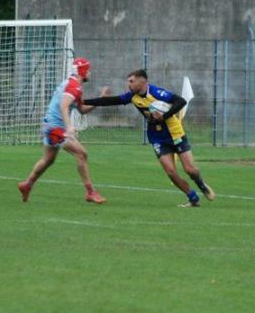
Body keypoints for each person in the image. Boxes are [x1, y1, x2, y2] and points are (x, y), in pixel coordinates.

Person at [83, 69, 215, 207]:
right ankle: (192, 198)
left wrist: (164, 116)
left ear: (142, 81)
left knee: (190, 170)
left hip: (175, 133)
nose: (129, 84)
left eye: (131, 81)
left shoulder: (157, 93)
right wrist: (84, 101)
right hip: (157, 137)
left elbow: (180, 101)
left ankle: (201, 184)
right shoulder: (132, 96)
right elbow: (112, 101)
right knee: (171, 172)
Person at [18, 57, 107, 204]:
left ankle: (27, 184)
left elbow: (82, 110)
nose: (90, 73)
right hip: (55, 127)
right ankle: (90, 193)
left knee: (48, 160)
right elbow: (64, 106)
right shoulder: (73, 87)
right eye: (88, 69)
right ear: (82, 71)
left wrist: (100, 100)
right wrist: (69, 127)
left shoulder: (74, 86)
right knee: (81, 154)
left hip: (50, 125)